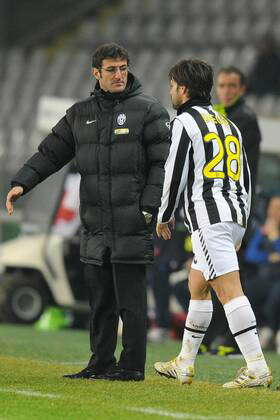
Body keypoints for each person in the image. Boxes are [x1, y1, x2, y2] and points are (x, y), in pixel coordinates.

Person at [6, 43, 170, 381]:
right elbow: (50, 153)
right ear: (96, 73)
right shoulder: (80, 114)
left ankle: (131, 367)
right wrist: (23, 182)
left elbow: (162, 164)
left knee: (131, 301)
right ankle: (101, 362)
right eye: (111, 70)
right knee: (100, 300)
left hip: (131, 220)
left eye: (123, 68)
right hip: (95, 224)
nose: (119, 75)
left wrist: (148, 209)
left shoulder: (149, 111)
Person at [154, 58, 272, 388]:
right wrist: (242, 224)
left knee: (229, 291)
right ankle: (185, 363)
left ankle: (257, 367)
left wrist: (164, 215)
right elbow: (247, 177)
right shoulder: (227, 124)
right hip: (234, 214)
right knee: (197, 283)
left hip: (209, 218)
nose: (171, 91)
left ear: (184, 89)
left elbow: (173, 172)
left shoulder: (185, 122)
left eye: (173, 86)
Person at [215, 66, 261, 196]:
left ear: (242, 89)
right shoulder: (217, 112)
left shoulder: (246, 118)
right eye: (222, 86)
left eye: (232, 86)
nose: (226, 91)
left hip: (236, 194)